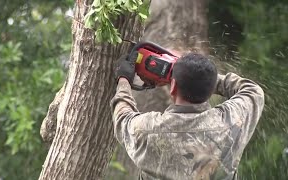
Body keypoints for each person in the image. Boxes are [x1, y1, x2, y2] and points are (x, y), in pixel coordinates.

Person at [110, 53, 264, 180]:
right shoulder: (232, 122)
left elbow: (123, 116)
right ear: (211, 90)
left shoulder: (148, 130)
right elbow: (252, 90)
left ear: (173, 86)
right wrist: (205, 79)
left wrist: (123, 80)